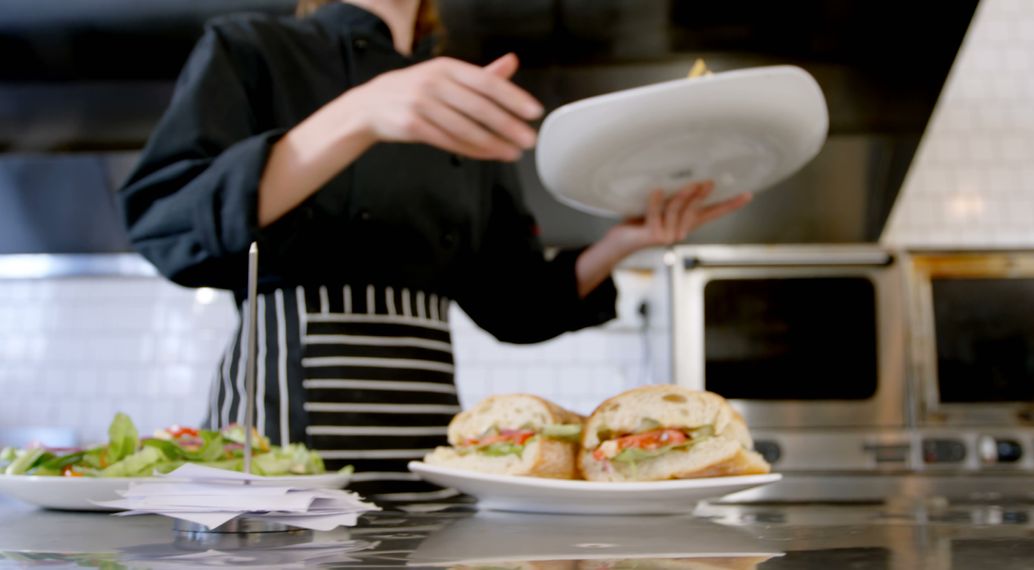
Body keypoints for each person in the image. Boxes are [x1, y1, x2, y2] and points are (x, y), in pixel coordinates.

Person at [119, 0, 750, 504]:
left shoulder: (464, 96)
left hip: (432, 456)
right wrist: (361, 113)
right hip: (278, 452)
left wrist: (624, 239)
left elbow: (515, 304)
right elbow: (167, 225)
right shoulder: (251, 50)